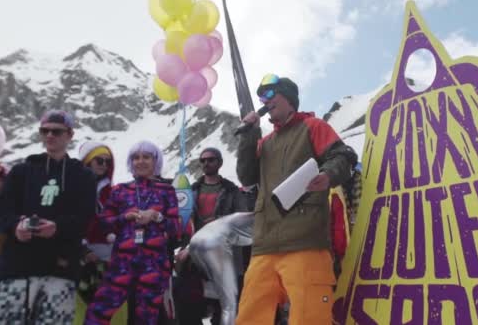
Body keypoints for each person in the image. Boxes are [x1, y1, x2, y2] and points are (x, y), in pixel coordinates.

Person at [235, 74, 357, 324]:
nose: (264, 100)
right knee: (250, 316)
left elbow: (343, 157)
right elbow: (246, 177)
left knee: (308, 317)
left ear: (289, 98)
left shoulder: (313, 126)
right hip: (265, 245)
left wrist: (327, 175)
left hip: (306, 242)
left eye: (270, 94)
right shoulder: (264, 142)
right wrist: (249, 135)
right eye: (261, 96)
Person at [0, 109, 97, 324]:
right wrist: (17, 225)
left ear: (70, 135)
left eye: (56, 131)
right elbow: (4, 211)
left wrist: (58, 227)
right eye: (45, 131)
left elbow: (86, 217)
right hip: (17, 269)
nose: (50, 136)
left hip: (60, 270)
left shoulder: (83, 176)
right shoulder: (21, 171)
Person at [85, 141, 180, 324]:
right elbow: (103, 223)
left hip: (154, 265)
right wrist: (124, 218)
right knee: (98, 312)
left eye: (146, 157)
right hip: (122, 262)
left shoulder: (167, 190)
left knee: (146, 318)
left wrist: (156, 216)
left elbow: (175, 228)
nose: (140, 161)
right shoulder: (120, 190)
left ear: (155, 161)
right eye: (136, 158)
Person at [173, 147, 249, 325]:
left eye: (211, 159)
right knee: (188, 307)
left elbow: (243, 219)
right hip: (195, 258)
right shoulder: (190, 191)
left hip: (225, 257)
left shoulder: (232, 191)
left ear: (220, 163)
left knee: (224, 310)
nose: (206, 163)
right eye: (203, 160)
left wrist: (218, 222)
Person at [77, 141, 116, 304]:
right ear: (87, 161)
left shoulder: (112, 191)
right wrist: (83, 250)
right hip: (82, 256)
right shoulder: (74, 188)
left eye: (107, 162)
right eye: (99, 160)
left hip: (110, 258)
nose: (103, 165)